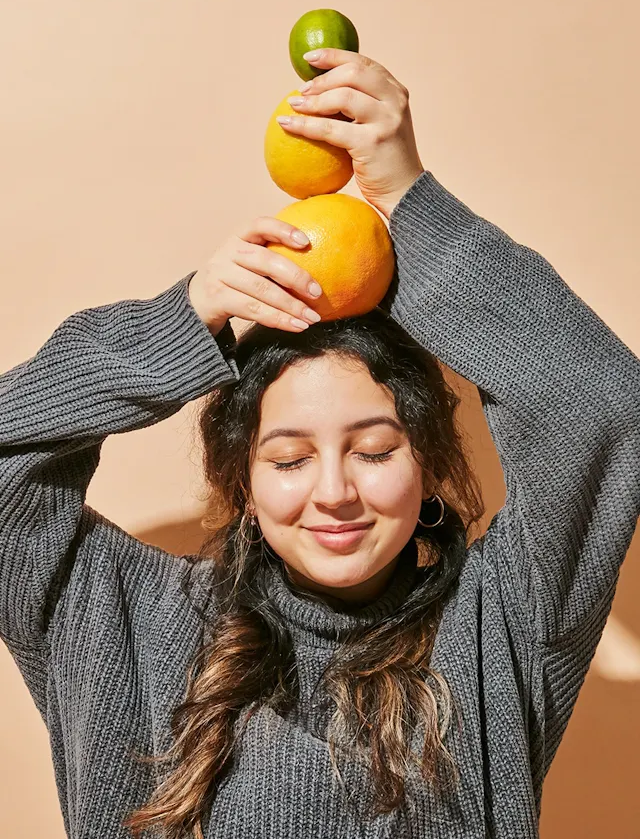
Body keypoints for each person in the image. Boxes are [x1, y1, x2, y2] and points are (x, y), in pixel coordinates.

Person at [1, 48, 638, 839]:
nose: (334, 490)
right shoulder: (124, 617)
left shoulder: (502, 623)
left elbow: (601, 404)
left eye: (373, 450)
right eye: (290, 459)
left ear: (431, 465)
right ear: (242, 480)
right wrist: (184, 317)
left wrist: (408, 203)